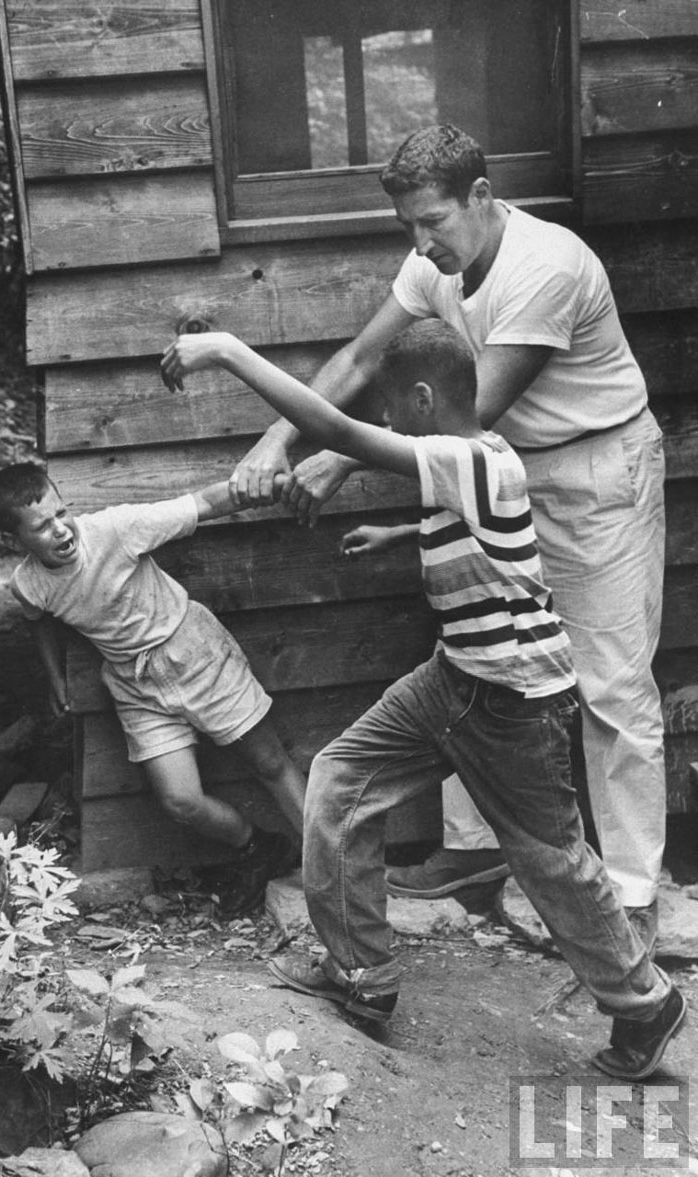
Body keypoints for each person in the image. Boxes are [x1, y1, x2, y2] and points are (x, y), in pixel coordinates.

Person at [160, 319, 685, 1080]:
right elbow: (479, 531)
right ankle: (363, 977)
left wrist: (229, 351)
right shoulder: (473, 467)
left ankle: (644, 1001)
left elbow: (334, 427)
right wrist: (401, 534)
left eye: (394, 410)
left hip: (515, 702)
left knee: (553, 863)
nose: (387, 423)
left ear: (424, 397)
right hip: (454, 679)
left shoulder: (471, 457)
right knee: (340, 781)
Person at [228, 123, 666, 950]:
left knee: (610, 681)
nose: (423, 244)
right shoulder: (435, 260)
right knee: (478, 664)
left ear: (481, 197)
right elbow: (361, 359)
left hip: (592, 470)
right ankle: (474, 854)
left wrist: (337, 462)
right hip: (499, 476)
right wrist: (274, 444)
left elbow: (477, 414)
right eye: (408, 228)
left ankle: (634, 889)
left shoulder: (548, 266)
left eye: (434, 222)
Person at [0, 462, 305, 918]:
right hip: (134, 684)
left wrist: (270, 485)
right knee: (180, 800)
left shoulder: (116, 529)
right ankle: (258, 847)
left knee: (270, 762)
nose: (61, 530)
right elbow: (39, 620)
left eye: (62, 513)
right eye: (42, 526)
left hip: (193, 652)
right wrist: (54, 677)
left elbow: (205, 503)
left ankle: (331, 865)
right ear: (13, 539)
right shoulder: (29, 583)